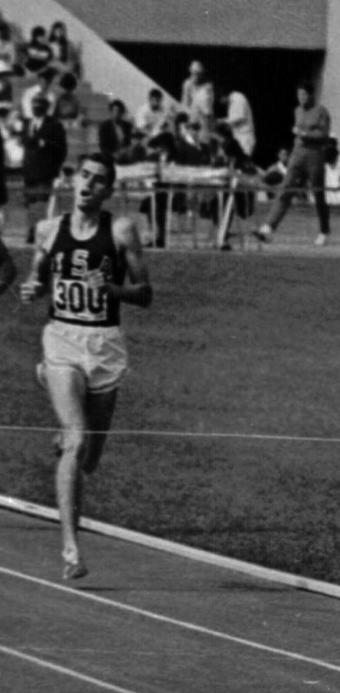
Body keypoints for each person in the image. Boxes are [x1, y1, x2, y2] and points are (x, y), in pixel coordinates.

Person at [17, 153, 153, 580]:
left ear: (109, 190)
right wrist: (31, 290)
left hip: (105, 347)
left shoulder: (122, 230)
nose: (88, 185)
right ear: (73, 180)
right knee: (76, 442)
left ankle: (69, 427)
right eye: (84, 176)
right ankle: (71, 549)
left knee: (89, 459)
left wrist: (111, 288)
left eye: (98, 180)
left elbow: (145, 292)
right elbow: (37, 282)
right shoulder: (48, 229)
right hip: (62, 341)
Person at [254, 81, 331, 246]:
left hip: (315, 156)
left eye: (304, 94)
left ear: (311, 95)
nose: (301, 98)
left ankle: (324, 230)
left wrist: (305, 133)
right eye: (299, 95)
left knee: (318, 194)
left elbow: (323, 135)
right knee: (286, 189)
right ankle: (269, 226)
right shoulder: (297, 111)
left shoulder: (321, 112)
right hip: (297, 155)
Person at [22, 94, 67, 245]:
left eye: (40, 104)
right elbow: (25, 144)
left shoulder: (54, 125)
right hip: (29, 171)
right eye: (34, 104)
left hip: (45, 170)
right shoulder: (27, 123)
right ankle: (31, 230)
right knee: (30, 202)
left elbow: (61, 149)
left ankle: (40, 232)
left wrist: (47, 147)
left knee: (42, 203)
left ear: (46, 108)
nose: (36, 107)